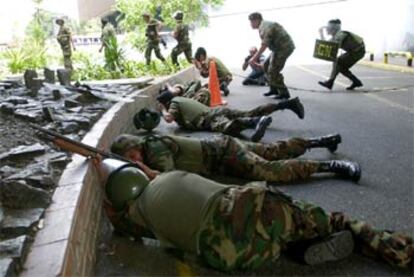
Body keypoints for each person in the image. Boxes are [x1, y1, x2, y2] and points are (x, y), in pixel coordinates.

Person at [97, 161, 413, 272]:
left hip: (231, 256)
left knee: (180, 245)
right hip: (253, 214)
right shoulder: (169, 178)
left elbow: (119, 222)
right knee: (338, 220)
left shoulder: (137, 219)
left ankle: (296, 250)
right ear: (142, 174)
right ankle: (400, 251)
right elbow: (160, 178)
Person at [110, 132, 362, 183]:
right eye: (129, 159)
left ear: (136, 146)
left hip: (224, 154)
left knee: (270, 170)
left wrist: (144, 169)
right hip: (223, 145)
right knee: (273, 150)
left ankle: (331, 165)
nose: (134, 159)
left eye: (132, 155)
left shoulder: (153, 148)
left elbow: (169, 178)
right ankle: (321, 141)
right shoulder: (149, 145)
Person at [157, 94, 304, 142]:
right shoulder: (182, 99)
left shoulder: (174, 103)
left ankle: (256, 123)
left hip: (208, 118)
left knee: (227, 128)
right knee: (250, 112)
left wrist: (162, 110)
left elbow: (169, 118)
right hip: (217, 111)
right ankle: (287, 104)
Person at [248, 12, 295, 100]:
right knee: (266, 66)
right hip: (277, 48)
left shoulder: (265, 27)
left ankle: (284, 93)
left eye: (251, 22)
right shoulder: (262, 26)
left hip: (284, 48)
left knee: (273, 71)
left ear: (256, 20)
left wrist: (253, 58)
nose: (250, 24)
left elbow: (264, 45)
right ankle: (273, 89)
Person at [318, 19, 365, 90]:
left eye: (328, 28)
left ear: (333, 29)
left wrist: (323, 34)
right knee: (341, 67)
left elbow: (333, 46)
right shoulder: (337, 35)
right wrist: (321, 33)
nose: (327, 30)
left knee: (338, 63)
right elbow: (326, 45)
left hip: (357, 52)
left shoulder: (341, 35)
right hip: (353, 52)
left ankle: (330, 82)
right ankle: (356, 82)